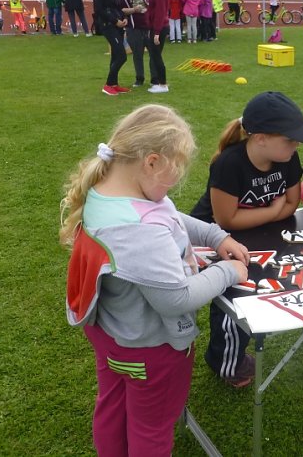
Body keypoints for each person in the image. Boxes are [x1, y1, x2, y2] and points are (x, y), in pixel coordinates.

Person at [62, 104, 250, 455]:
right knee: (152, 427)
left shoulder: (110, 188)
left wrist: (214, 236)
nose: (176, 182)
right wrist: (227, 272)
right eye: (175, 171)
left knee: (113, 405)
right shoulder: (139, 232)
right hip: (152, 349)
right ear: (151, 161)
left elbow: (169, 216)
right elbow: (174, 299)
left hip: (113, 333)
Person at [190, 92, 303, 387]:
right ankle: (225, 360)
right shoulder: (229, 163)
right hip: (213, 240)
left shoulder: (287, 158)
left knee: (265, 286)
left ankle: (234, 351)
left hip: (256, 235)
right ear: (261, 138)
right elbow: (227, 220)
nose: (297, 145)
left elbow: (291, 205)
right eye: (290, 139)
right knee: (235, 297)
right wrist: (274, 210)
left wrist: (270, 212)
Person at [93, 0, 130, 96]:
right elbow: (99, 9)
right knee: (121, 55)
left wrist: (123, 18)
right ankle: (108, 84)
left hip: (118, 24)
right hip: (108, 25)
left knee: (115, 55)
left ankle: (114, 84)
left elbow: (117, 7)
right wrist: (115, 21)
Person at [120, 0, 152, 86]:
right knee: (137, 55)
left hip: (149, 28)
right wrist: (133, 10)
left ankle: (155, 79)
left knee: (154, 54)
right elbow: (121, 10)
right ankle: (140, 78)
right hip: (134, 29)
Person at [143, 0, 169, 93]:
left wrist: (157, 32)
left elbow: (160, 12)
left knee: (156, 56)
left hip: (159, 28)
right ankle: (160, 82)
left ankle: (163, 84)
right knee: (154, 55)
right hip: (156, 27)